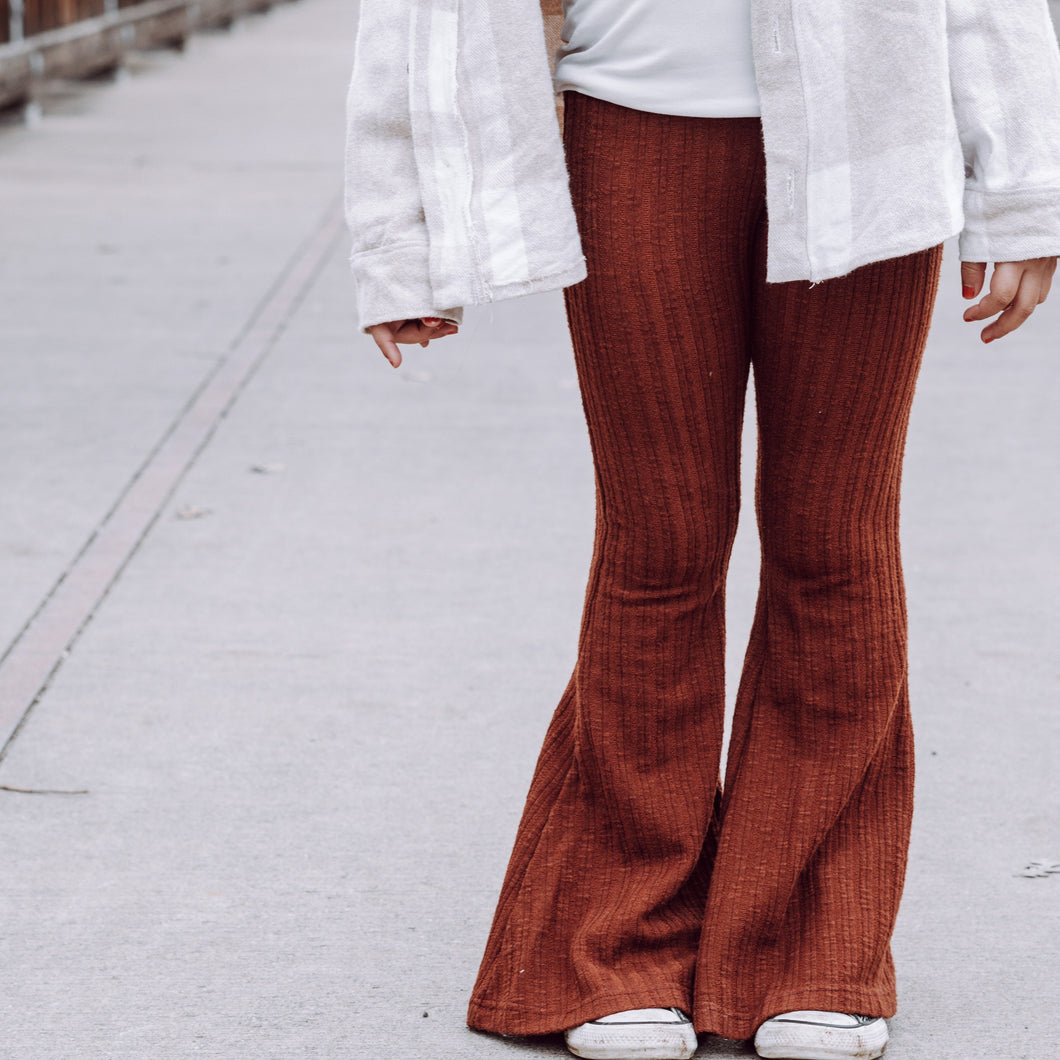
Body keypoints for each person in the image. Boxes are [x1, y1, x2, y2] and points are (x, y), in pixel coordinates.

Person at [344, 1, 1060, 1057]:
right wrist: (404, 236)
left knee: (835, 542)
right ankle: (617, 943)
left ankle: (816, 948)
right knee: (658, 546)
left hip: (873, 138)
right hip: (627, 126)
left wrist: (1023, 196)